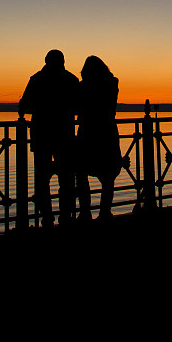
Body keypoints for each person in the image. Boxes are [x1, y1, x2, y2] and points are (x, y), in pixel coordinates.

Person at [19, 49, 79, 227]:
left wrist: (39, 108)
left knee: (42, 177)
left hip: (42, 134)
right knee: (66, 178)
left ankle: (47, 217)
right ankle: (66, 216)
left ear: (46, 61)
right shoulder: (71, 80)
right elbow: (78, 106)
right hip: (64, 134)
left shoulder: (36, 79)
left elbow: (25, 105)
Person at [75, 55, 122, 222]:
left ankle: (85, 212)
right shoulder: (112, 83)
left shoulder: (83, 87)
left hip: (88, 131)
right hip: (107, 131)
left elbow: (77, 107)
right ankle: (105, 212)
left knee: (81, 173)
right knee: (108, 176)